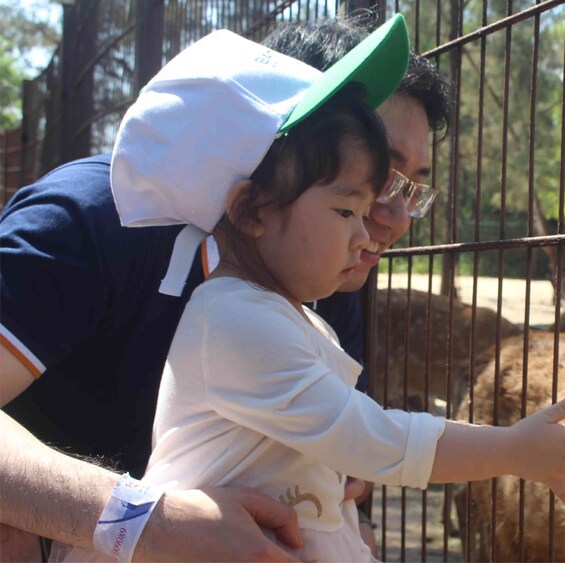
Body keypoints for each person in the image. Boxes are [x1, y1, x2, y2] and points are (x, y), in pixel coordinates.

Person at [53, 16, 565, 562]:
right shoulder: (232, 320)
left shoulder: (304, 315)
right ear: (253, 208)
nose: (378, 229)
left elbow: (332, 487)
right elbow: (371, 438)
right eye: (346, 209)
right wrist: (512, 449)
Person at [0, 14, 448, 563]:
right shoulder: (88, 219)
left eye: (413, 187)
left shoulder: (320, 274)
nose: (399, 216)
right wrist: (148, 520)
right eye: (377, 173)